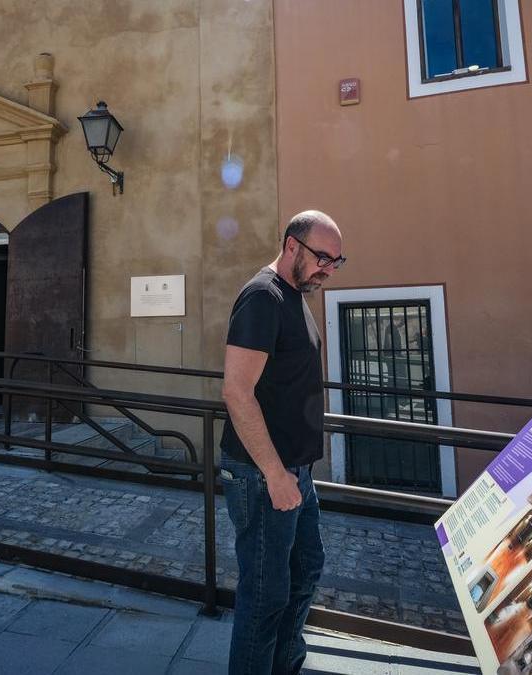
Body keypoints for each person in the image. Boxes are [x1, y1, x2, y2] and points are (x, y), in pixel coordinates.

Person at [220, 209, 345, 674]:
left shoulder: (295, 295)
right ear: (292, 245)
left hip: (296, 471)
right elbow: (236, 391)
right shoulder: (262, 298)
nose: (327, 269)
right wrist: (275, 474)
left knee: (306, 568)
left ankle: (283, 665)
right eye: (322, 257)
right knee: (265, 594)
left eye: (337, 261)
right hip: (263, 474)